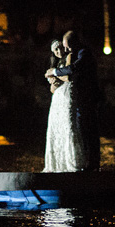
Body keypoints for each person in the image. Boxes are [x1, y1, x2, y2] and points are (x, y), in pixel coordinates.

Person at [45, 30, 100, 171]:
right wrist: (53, 79)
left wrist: (55, 73)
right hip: (65, 98)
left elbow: (72, 72)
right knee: (81, 128)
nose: (66, 49)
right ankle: (87, 163)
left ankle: (90, 163)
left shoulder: (82, 53)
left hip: (84, 97)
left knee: (84, 129)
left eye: (66, 46)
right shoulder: (71, 55)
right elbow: (55, 86)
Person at [43, 39, 83, 173]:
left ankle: (71, 161)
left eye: (60, 48)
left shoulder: (69, 58)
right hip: (58, 97)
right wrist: (53, 83)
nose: (59, 51)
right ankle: (57, 163)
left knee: (68, 125)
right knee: (56, 127)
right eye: (56, 50)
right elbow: (52, 89)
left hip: (67, 94)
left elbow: (70, 77)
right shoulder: (56, 63)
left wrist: (55, 75)